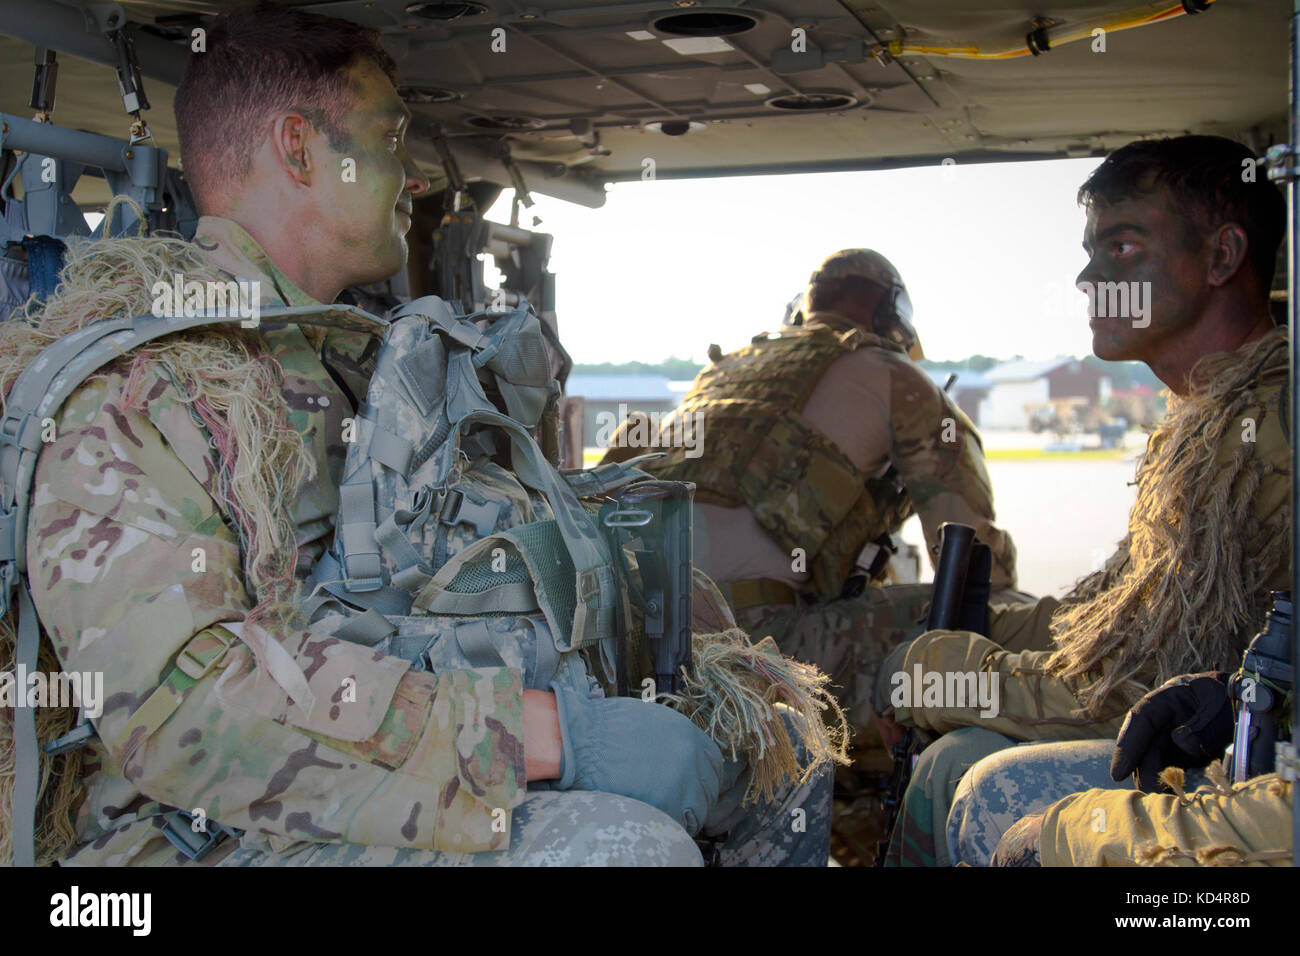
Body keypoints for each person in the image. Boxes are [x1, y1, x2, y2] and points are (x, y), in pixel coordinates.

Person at [0, 1, 830, 867]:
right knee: (623, 850)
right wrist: (546, 738)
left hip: (381, 764)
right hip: (198, 835)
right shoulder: (143, 388)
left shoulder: (353, 365)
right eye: (391, 141)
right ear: (297, 147)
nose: (417, 178)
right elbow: (185, 718)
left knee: (776, 759)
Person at [874, 134, 1291, 866]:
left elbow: (1153, 675)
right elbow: (1121, 615)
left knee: (957, 765)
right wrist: (991, 635)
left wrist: (948, 679)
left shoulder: (1259, 432)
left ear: (1223, 258)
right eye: (1092, 250)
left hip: (1245, 763)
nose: (1088, 276)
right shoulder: (1208, 419)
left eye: (1122, 248)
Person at [603, 249, 1021, 744]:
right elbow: (975, 563)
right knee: (1009, 621)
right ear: (889, 316)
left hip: (638, 638)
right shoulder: (895, 376)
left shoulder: (719, 374)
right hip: (759, 646)